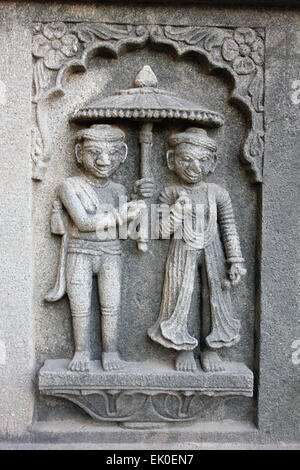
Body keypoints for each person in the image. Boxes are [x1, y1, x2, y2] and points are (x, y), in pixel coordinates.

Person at [45, 124, 152, 372]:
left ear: (122, 154)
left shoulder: (118, 190)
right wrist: (121, 215)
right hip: (80, 252)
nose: (104, 160)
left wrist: (138, 201)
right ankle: (81, 351)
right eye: (94, 152)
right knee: (80, 307)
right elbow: (83, 223)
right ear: (79, 153)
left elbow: (125, 233)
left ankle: (110, 351)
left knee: (110, 306)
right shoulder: (69, 186)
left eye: (112, 153)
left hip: (110, 253)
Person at [148, 127, 246, 373]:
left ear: (212, 163)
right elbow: (160, 231)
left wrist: (235, 260)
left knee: (212, 297)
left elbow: (228, 227)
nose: (194, 167)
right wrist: (175, 212)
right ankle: (183, 348)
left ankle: (210, 348)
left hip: (213, 251)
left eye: (202, 161)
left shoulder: (217, 194)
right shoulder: (169, 193)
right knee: (183, 297)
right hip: (181, 251)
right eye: (186, 159)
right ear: (172, 161)